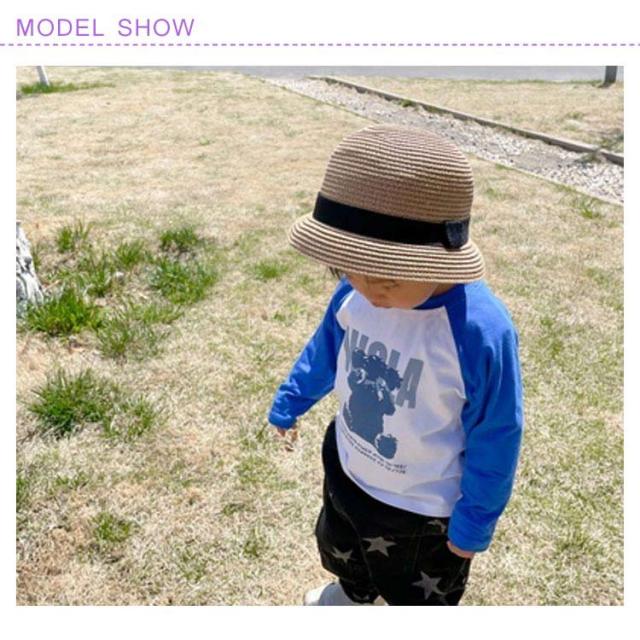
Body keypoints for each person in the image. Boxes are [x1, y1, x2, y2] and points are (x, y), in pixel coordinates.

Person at [267, 124, 523, 606]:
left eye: (387, 276)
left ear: (438, 260)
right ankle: (353, 592)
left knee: (417, 592)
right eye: (351, 267)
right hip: (348, 466)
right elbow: (326, 349)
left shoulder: (479, 332)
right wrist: (291, 399)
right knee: (344, 548)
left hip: (423, 508)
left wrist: (475, 520)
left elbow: (497, 432)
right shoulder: (355, 293)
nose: (368, 290)